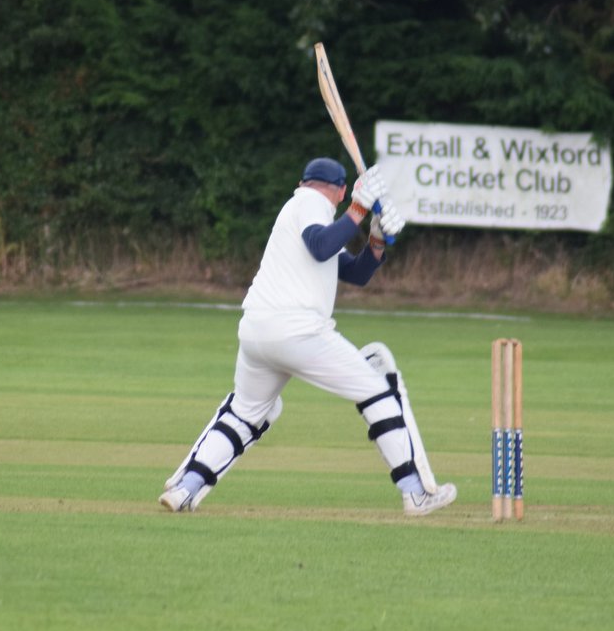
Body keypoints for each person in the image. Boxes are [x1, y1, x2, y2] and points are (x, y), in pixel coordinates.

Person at [159, 157, 458, 516]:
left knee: (246, 414)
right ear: (342, 191)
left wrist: (376, 239)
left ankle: (186, 489)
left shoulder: (307, 215)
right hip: (298, 332)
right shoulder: (309, 204)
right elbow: (320, 245)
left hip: (256, 332)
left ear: (303, 180)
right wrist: (361, 209)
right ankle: (415, 492)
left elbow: (355, 271)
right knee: (378, 389)